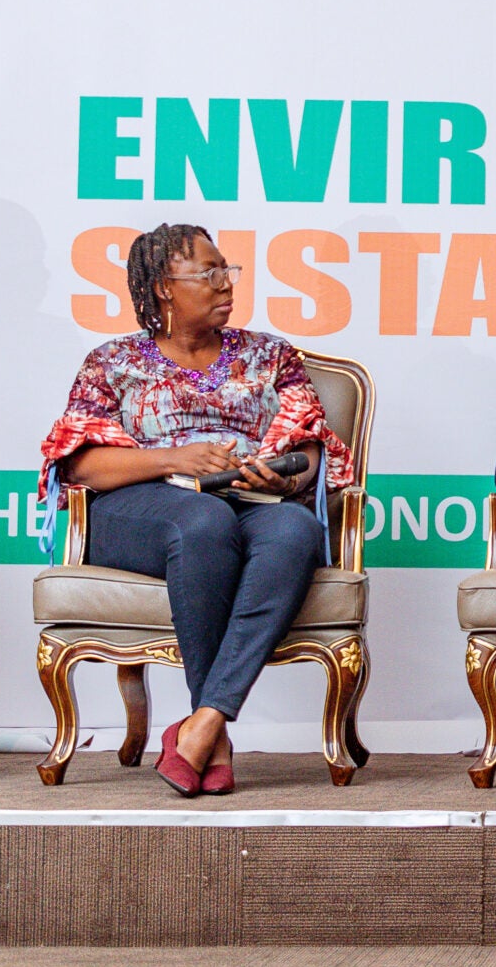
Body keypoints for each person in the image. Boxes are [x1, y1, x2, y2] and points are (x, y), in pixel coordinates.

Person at [39, 223, 351, 797]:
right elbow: (80, 465)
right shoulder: (113, 362)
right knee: (203, 522)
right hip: (140, 508)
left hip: (251, 498)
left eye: (226, 270)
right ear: (163, 287)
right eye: (208, 274)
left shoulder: (270, 355)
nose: (225, 284)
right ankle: (215, 733)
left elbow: (309, 450)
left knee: (294, 531)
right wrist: (173, 459)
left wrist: (284, 477)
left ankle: (206, 724)